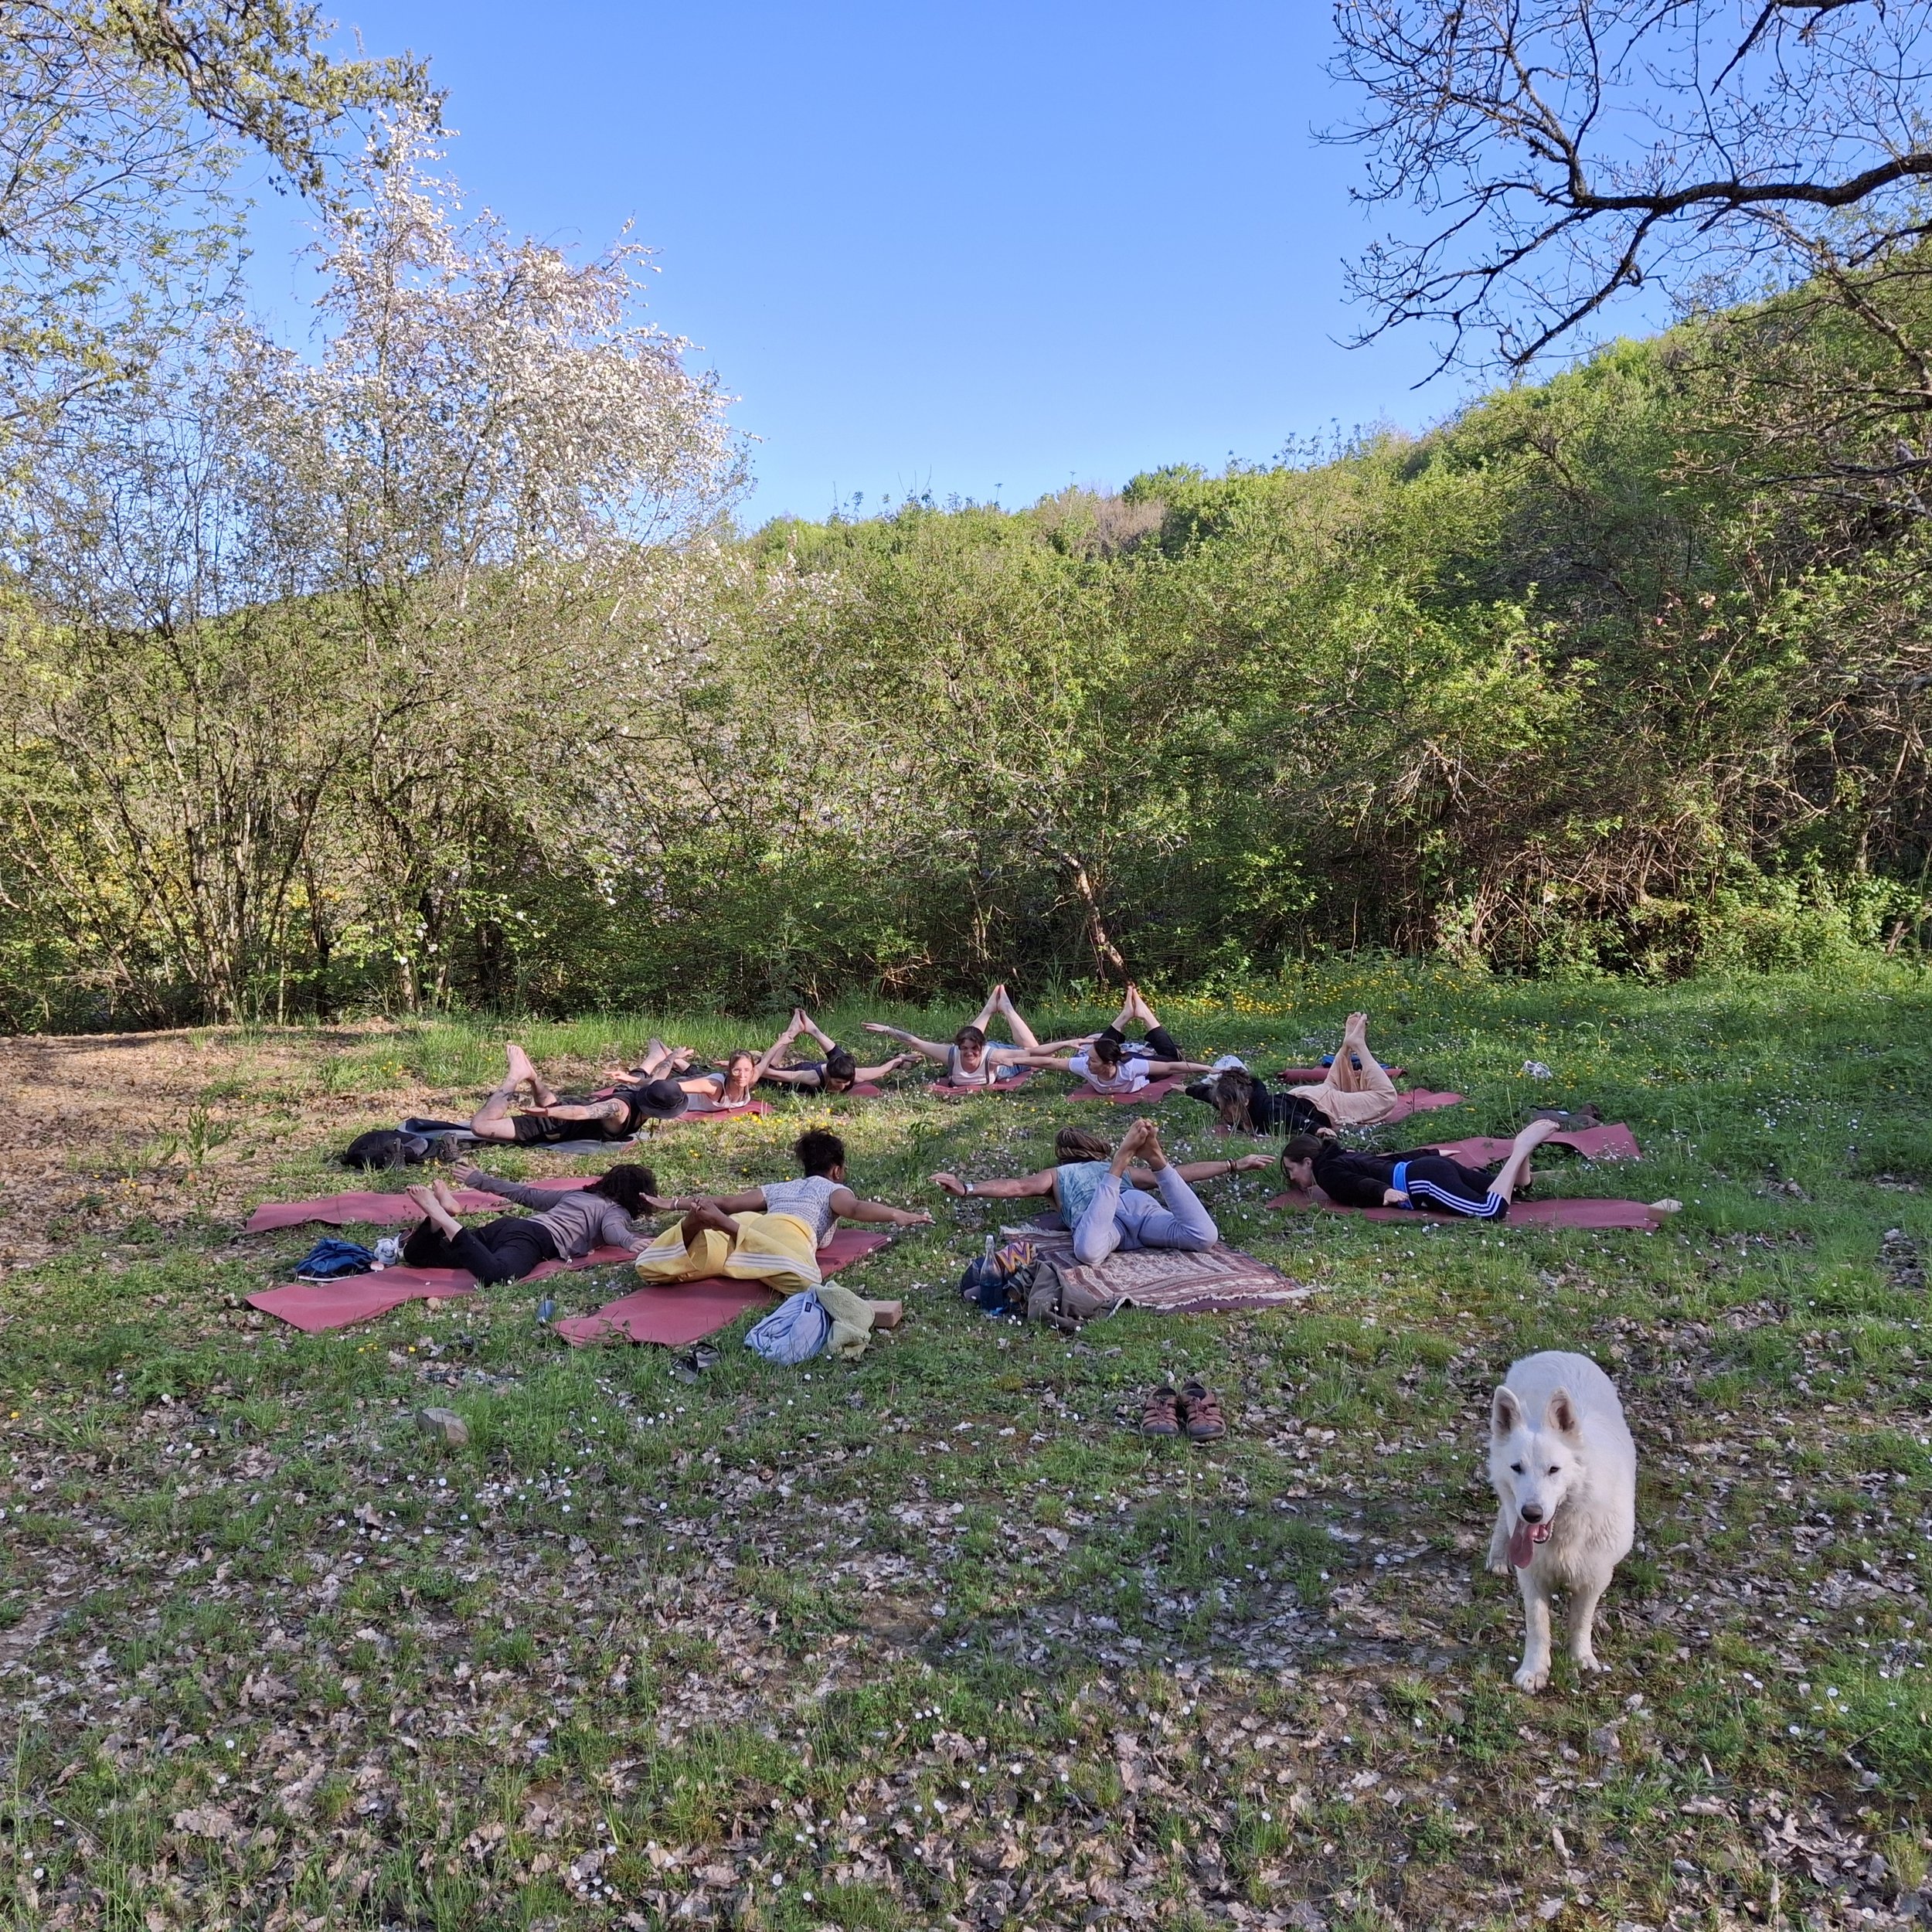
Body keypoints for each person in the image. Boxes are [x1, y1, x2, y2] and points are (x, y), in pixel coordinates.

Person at [635, 1127, 932, 1300]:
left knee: (654, 1268)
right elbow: (854, 1209)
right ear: (838, 1170)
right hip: (786, 1232)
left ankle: (694, 1227)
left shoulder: (780, 1188)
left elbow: (728, 1201)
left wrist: (676, 1203)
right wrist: (897, 1214)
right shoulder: (832, 1190)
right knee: (806, 1280)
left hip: (752, 1224)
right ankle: (725, 1228)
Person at [931, 1119, 1270, 1265]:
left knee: (1090, 1253)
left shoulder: (1057, 1174)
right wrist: (1233, 1163)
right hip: (1136, 1206)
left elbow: (1018, 1187)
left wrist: (968, 1188)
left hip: (1104, 1218)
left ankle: (1124, 1158)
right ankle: (1156, 1159)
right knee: (1204, 1237)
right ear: (1096, 1151)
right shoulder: (1098, 1171)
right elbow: (1183, 1175)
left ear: (1063, 1156)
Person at [400, 1164, 662, 1282]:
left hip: (506, 1228)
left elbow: (525, 1194)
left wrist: (479, 1179)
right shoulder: (616, 1211)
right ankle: (444, 1217)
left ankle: (436, 1221)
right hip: (534, 1238)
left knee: (418, 1255)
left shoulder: (578, 1196)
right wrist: (631, 1241)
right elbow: (612, 1230)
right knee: (498, 1276)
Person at [1281, 1117, 1560, 1219]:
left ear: (1308, 1162)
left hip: (1420, 1181)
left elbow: (1351, 1184)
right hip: (1425, 1167)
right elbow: (1387, 1159)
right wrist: (1431, 1152)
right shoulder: (1341, 1155)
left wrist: (1384, 1192)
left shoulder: (1326, 1173)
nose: (1293, 1178)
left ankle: (1520, 1149)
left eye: (1291, 1170)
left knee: (1490, 1211)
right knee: (1511, 1190)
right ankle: (1523, 1156)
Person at [862, 983, 1085, 1087]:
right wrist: (888, 1030)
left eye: (973, 1049)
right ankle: (989, 1008)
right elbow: (916, 1043)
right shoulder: (951, 1054)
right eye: (964, 1048)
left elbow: (1034, 1053)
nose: (968, 1053)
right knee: (969, 1035)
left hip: (1005, 1060)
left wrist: (1065, 1043)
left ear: (981, 1048)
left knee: (1030, 1049)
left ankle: (1006, 1008)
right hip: (989, 1050)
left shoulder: (994, 1056)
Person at [469, 1043, 689, 1145]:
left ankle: (532, 1077)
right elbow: (582, 1112)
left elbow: (661, 1072)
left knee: (554, 1105)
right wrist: (547, 1113)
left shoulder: (653, 1090)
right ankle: (514, 1076)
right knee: (481, 1127)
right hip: (556, 1126)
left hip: (562, 1118)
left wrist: (674, 1056)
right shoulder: (621, 1109)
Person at [1029, 984, 1212, 1096]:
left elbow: (1171, 1067)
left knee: (1173, 1059)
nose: (1088, 1063)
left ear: (1109, 1064)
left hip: (1135, 1064)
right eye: (1090, 1060)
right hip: (1121, 1060)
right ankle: (1135, 1015)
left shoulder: (1132, 1068)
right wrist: (1014, 1059)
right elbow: (1051, 1063)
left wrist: (1207, 1068)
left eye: (1092, 1061)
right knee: (1102, 1050)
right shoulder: (1086, 1066)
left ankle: (1136, 1015)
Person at [1277, 1012, 1403, 1131]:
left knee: (1384, 1095)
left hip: (1315, 1103)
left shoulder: (1266, 1113)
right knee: (1336, 1085)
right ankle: (1351, 1045)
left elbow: (1283, 1115)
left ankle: (1354, 1045)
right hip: (1306, 1098)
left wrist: (1316, 1129)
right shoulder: (1265, 1106)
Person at [751, 1009, 917, 1095]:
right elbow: (770, 1073)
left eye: (846, 1083)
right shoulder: (811, 1077)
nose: (843, 1086)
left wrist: (900, 1059)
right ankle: (792, 1032)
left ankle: (812, 1029)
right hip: (798, 1073)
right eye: (839, 1083)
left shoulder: (852, 1075)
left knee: (841, 1059)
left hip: (833, 1067)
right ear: (831, 1077)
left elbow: (881, 1071)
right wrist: (748, 1071)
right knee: (768, 1071)